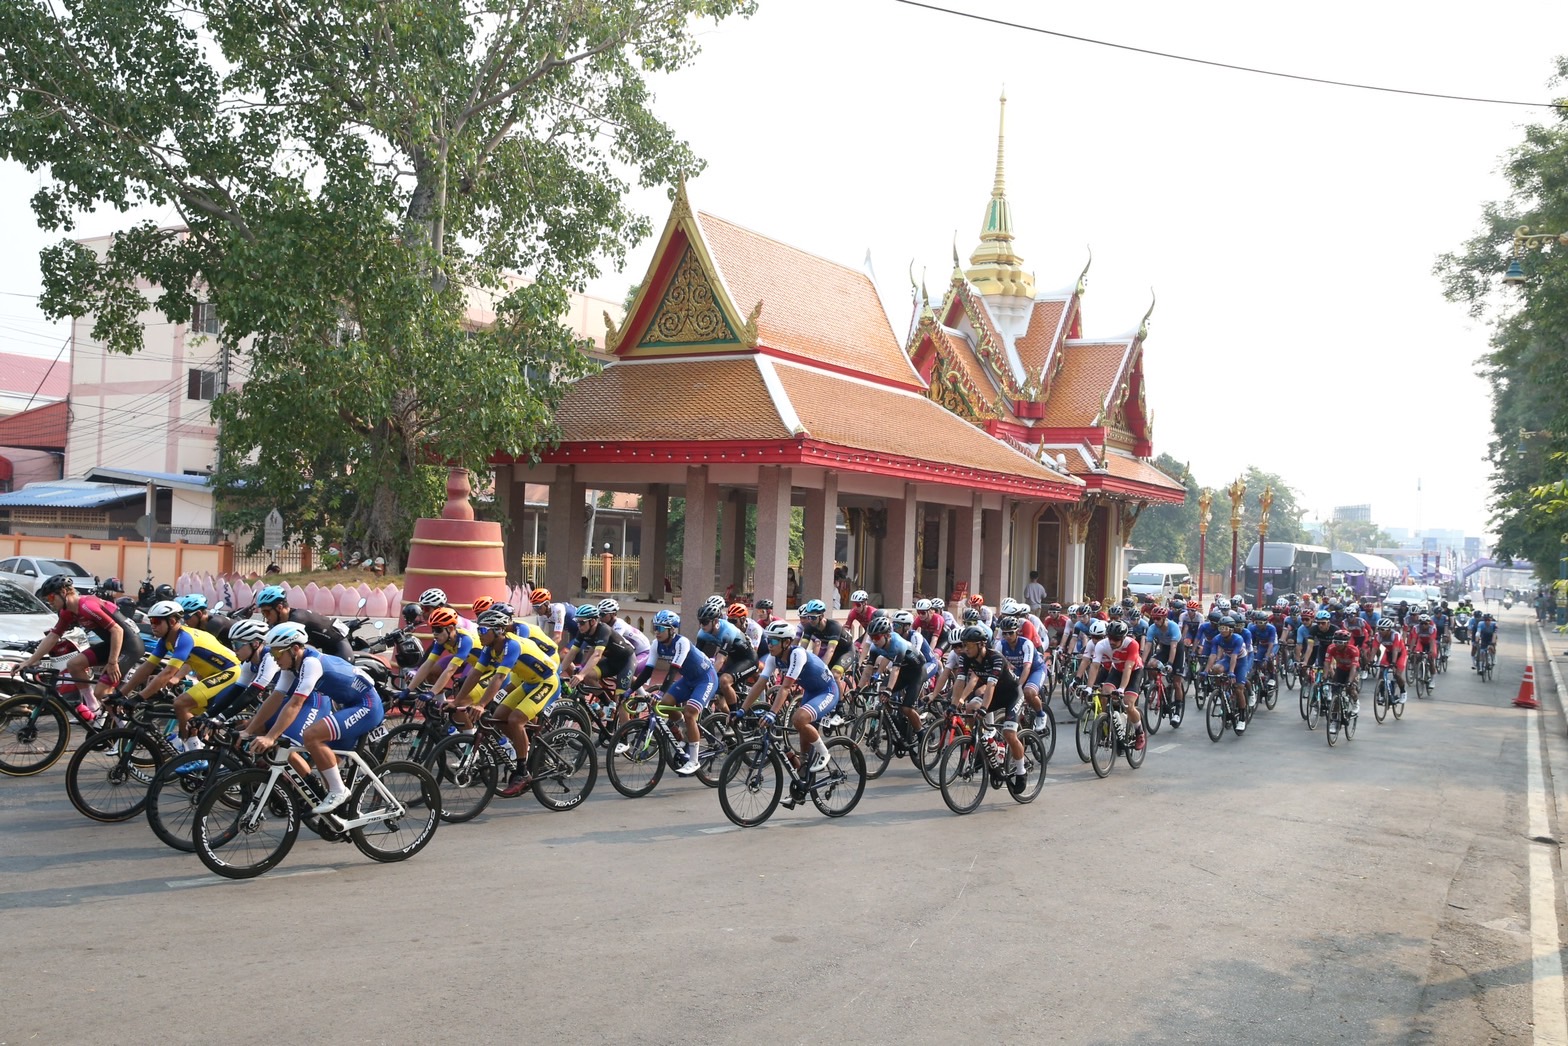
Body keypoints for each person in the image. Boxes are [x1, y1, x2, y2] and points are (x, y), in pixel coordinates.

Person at [248, 621, 384, 813]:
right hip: (350, 705)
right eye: (272, 654)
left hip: (367, 705)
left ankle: (339, 791)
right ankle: (340, 816)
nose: (275, 659)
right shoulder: (292, 666)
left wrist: (271, 737)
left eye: (277, 653)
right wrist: (249, 730)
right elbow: (276, 698)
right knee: (325, 765)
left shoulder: (311, 664)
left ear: (295, 649)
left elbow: (295, 704)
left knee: (311, 736)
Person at [113, 599, 241, 749]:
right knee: (189, 716)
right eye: (151, 621)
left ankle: (194, 755)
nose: (152, 625)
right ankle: (196, 750)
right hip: (211, 676)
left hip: (230, 672)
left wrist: (138, 698)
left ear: (172, 621)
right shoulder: (165, 641)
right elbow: (147, 667)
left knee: (180, 704)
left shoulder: (184, 638)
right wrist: (120, 694)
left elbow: (168, 673)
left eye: (156, 621)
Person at [21, 574, 145, 719]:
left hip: (130, 646)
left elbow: (117, 630)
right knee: (74, 665)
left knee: (102, 692)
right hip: (113, 644)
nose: (50, 602)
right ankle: (94, 709)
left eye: (51, 597)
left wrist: (112, 662)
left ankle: (122, 728)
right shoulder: (67, 612)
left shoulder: (86, 606)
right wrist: (29, 662)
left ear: (63, 592)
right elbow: (53, 636)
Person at [750, 620, 840, 781]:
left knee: (799, 718)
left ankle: (823, 752)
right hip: (811, 692)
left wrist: (772, 713)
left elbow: (785, 688)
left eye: (774, 641)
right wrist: (741, 710)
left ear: (786, 643)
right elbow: (759, 684)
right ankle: (804, 768)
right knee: (801, 727)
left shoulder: (797, 654)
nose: (769, 645)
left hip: (827, 691)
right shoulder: (773, 658)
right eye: (768, 640)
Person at [646, 609, 717, 775]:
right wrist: (631, 691)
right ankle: (686, 729)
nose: (657, 632)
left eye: (660, 628)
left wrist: (660, 693)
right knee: (665, 705)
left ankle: (694, 760)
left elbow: (672, 672)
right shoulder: (656, 644)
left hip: (705, 678)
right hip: (689, 679)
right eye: (655, 628)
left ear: (672, 630)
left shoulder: (681, 642)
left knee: (690, 713)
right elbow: (647, 671)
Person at [254, 585, 353, 660]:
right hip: (323, 647)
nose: (265, 616)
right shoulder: (279, 619)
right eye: (263, 613)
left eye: (266, 612)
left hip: (338, 645)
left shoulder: (297, 620)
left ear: (279, 608)